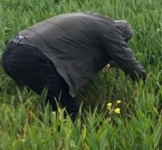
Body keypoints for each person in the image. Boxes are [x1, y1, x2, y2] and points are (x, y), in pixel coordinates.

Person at [2, 12, 147, 121]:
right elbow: (126, 60)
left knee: (51, 103)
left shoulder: (92, 19)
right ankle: (65, 141)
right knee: (67, 109)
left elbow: (76, 49)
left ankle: (47, 132)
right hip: (33, 56)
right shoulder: (111, 30)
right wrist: (144, 81)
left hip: (11, 52)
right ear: (122, 36)